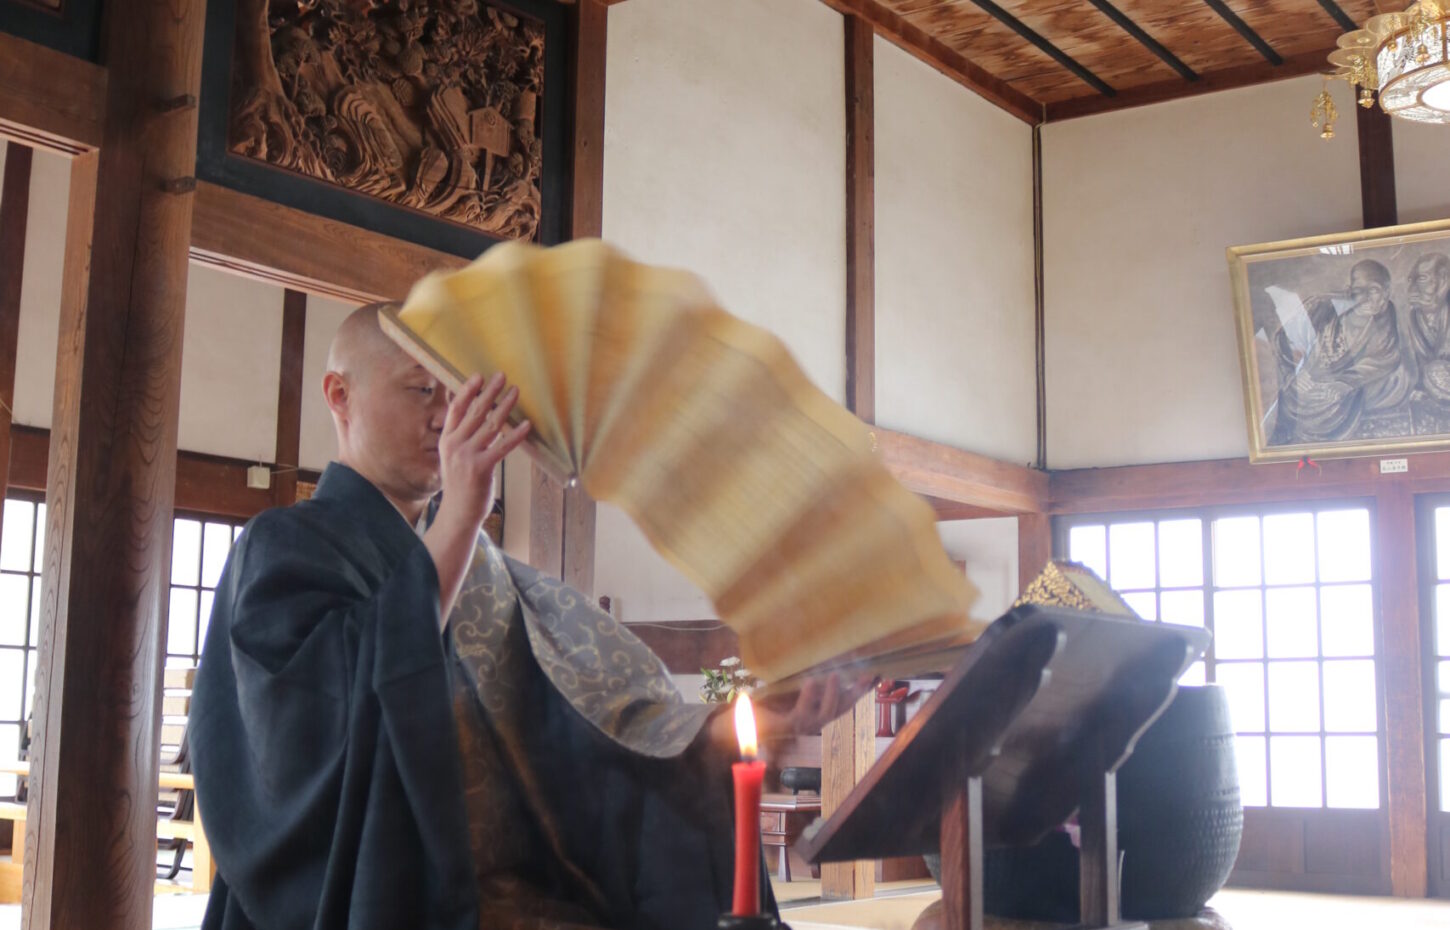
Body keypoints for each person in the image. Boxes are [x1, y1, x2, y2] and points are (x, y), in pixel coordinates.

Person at [189, 305, 860, 930]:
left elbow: (583, 725)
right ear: (340, 395)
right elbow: (303, 734)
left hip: (517, 894)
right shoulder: (284, 544)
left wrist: (732, 731)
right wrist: (460, 519)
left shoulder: (481, 568)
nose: (445, 417)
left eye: (454, 394)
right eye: (421, 390)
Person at [1271, 259, 1413, 444]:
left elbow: (1384, 358)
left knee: (1388, 387)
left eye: (1373, 290)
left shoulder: (1385, 316)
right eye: (1359, 291)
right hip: (1309, 375)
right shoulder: (1322, 306)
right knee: (1294, 398)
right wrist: (1298, 372)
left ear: (1386, 293)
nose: (1366, 298)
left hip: (1344, 381)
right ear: (1349, 290)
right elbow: (1286, 339)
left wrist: (1343, 384)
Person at [1407, 253, 1450, 405]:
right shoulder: (1415, 315)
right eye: (1411, 280)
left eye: (1422, 279)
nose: (1413, 289)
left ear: (1443, 280)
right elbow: (1422, 359)